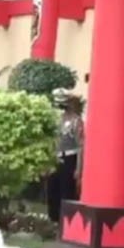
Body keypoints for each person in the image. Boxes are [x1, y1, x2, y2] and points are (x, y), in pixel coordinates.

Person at [48, 89, 84, 223]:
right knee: (52, 190)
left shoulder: (76, 120)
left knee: (67, 192)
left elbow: (80, 146)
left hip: (69, 158)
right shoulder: (53, 119)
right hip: (54, 158)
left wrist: (78, 168)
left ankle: (67, 222)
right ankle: (53, 220)